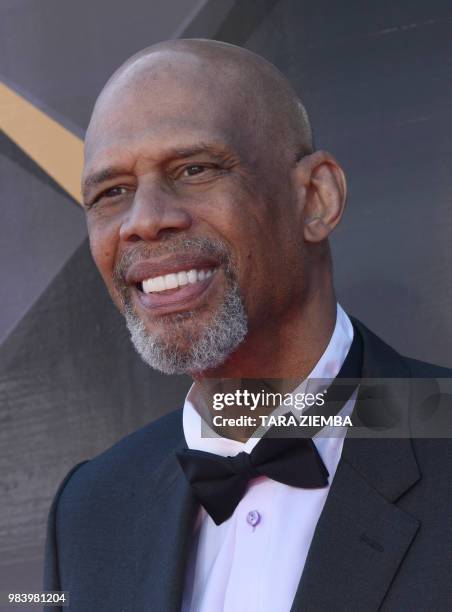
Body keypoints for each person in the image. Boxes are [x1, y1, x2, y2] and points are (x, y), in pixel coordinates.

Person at [44, 39, 452, 611]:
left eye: (194, 168)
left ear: (315, 198)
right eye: (112, 192)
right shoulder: (89, 510)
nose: (145, 221)